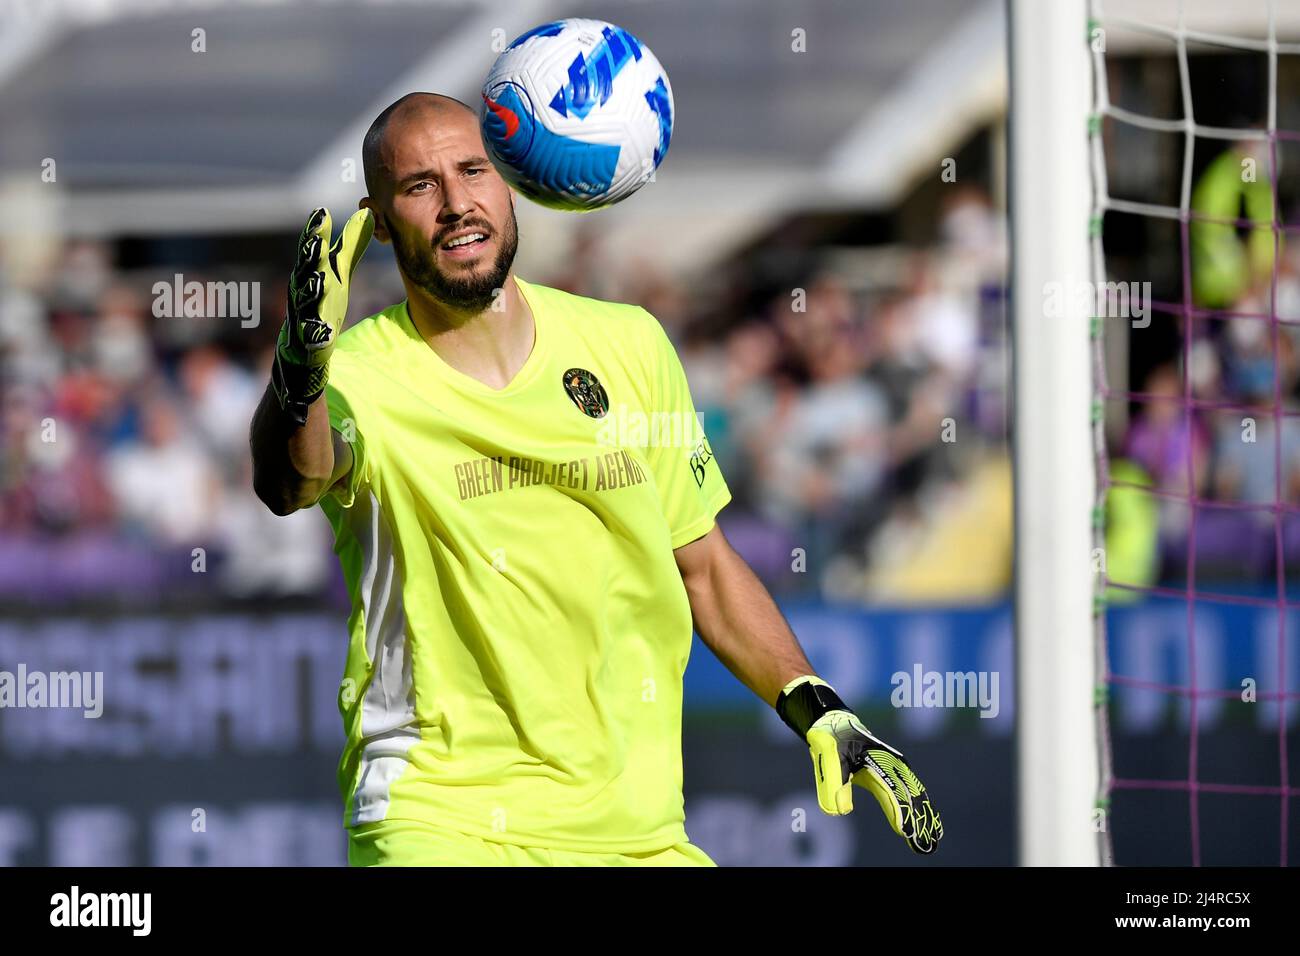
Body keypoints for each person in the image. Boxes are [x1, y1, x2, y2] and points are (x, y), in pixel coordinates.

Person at [248, 92, 942, 866]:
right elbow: (291, 482)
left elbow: (704, 567)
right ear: (380, 221)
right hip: (442, 817)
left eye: (473, 171)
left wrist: (816, 705)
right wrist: (301, 368)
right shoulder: (358, 375)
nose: (455, 204)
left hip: (636, 834)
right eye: (419, 186)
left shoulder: (630, 345)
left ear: (511, 180)